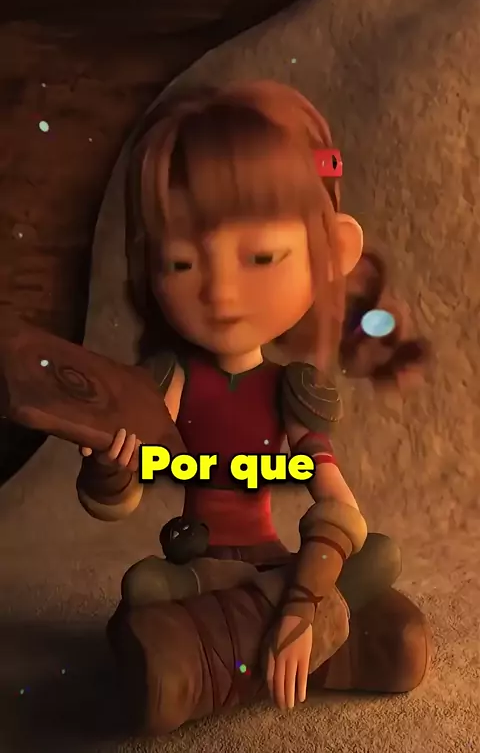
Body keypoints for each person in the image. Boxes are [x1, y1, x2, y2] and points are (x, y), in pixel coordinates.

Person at [76, 81, 431, 735]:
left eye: (261, 257)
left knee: (379, 556)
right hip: (198, 570)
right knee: (145, 587)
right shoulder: (171, 380)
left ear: (332, 252)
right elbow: (120, 493)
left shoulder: (290, 389)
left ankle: (219, 657)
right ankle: (308, 643)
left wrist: (300, 597)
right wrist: (110, 467)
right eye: (181, 263)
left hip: (275, 563)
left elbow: (341, 510)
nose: (221, 292)